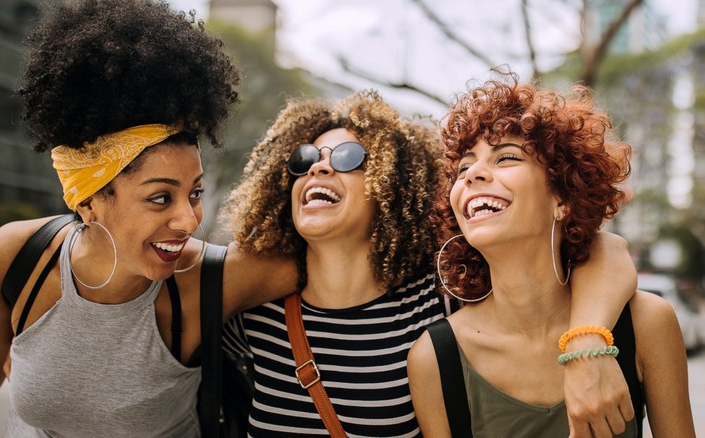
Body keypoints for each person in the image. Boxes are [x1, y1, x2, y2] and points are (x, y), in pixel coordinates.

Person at [0, 0, 295, 436]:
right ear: (89, 201)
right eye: (160, 198)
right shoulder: (18, 256)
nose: (189, 220)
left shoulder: (208, 281)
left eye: (195, 193)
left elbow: (338, 259)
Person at [220, 90, 640, 437]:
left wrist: (587, 343)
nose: (321, 166)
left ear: (392, 185)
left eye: (348, 157)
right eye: (305, 159)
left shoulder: (439, 303)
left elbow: (606, 251)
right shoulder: (252, 317)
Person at [407, 75, 696, 437]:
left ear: (563, 198)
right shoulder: (434, 357)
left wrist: (588, 346)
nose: (473, 175)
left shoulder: (646, 324)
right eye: (464, 167)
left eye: (506, 157)